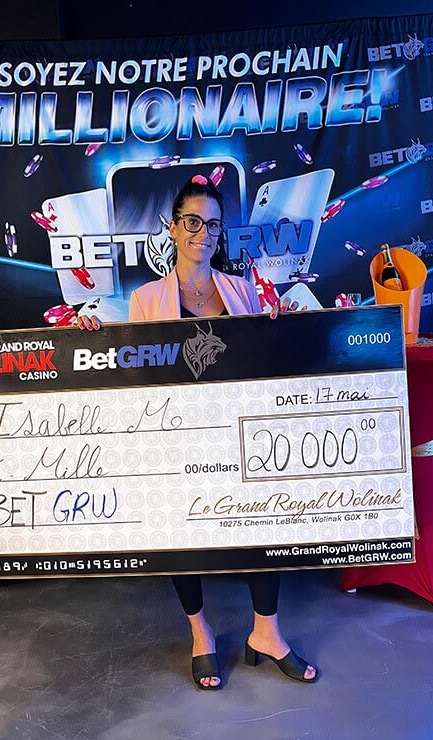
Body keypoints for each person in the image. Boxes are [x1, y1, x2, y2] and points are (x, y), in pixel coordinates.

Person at [78, 176, 318, 690]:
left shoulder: (242, 288)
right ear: (172, 228)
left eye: (212, 224)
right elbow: (132, 368)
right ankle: (200, 633)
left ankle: (266, 633)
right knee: (178, 531)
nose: (202, 233)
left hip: (239, 434)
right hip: (177, 439)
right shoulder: (145, 298)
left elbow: (262, 360)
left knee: (265, 526)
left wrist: (278, 322)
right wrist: (96, 336)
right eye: (192, 222)